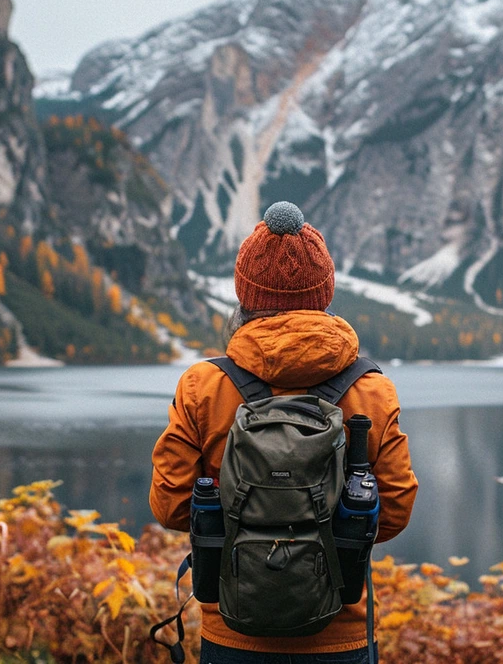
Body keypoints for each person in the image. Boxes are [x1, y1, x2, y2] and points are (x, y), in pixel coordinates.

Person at [150, 202, 419, 664]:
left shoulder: (203, 386)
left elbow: (171, 507)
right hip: (340, 635)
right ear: (324, 292)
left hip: (233, 633)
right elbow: (392, 516)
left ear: (245, 295)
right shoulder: (372, 391)